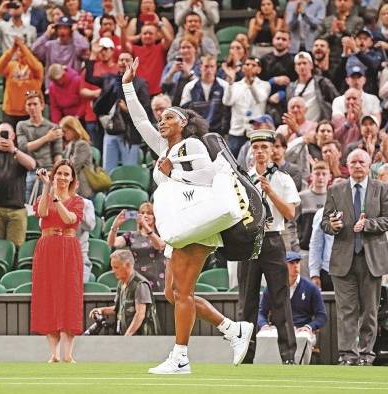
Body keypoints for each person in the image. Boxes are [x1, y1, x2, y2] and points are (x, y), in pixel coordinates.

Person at [122, 58, 253, 374]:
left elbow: (209, 177)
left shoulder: (191, 143)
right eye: (162, 117)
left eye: (169, 117)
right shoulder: (165, 150)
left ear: (184, 123)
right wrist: (128, 84)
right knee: (172, 292)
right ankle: (231, 329)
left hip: (197, 225)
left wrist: (176, 173)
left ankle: (180, 356)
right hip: (181, 225)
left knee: (181, 292)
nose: (162, 121)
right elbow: (140, 122)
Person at [238, 128, 301, 365]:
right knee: (247, 301)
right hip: (249, 241)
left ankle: (288, 356)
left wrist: (270, 192)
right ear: (251, 151)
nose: (260, 152)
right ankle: (245, 355)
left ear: (273, 150)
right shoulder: (243, 179)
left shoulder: (283, 179)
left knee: (280, 298)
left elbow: (290, 213)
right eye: (256, 148)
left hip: (274, 240)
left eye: (265, 147)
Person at [321, 148, 388, 365]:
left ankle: (366, 355)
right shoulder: (336, 189)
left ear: (369, 166)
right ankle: (347, 355)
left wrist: (368, 224)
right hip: (343, 259)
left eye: (361, 162)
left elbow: (387, 219)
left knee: (369, 311)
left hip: (372, 259)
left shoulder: (381, 189)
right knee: (346, 311)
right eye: (353, 162)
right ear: (347, 167)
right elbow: (324, 223)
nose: (357, 166)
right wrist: (332, 225)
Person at [31, 160, 84, 363]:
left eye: (66, 174)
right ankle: (53, 353)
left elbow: (70, 219)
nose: (62, 177)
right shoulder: (44, 195)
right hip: (47, 248)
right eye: (59, 174)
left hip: (68, 248)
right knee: (48, 295)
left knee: (69, 295)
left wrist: (56, 199)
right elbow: (42, 213)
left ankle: (68, 353)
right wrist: (46, 188)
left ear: (72, 179)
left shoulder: (78, 200)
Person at [257, 251, 327, 364]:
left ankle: (299, 370)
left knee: (304, 338)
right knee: (263, 336)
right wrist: (264, 325)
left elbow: (322, 316)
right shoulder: (272, 287)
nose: (295, 266)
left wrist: (309, 327)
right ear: (283, 265)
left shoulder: (310, 288)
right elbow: (261, 312)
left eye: (297, 262)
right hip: (277, 329)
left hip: (301, 329)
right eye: (291, 263)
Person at [89, 249, 160, 335]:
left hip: (142, 338)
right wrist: (101, 310)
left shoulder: (140, 284)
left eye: (116, 267)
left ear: (128, 265)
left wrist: (127, 336)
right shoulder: (121, 283)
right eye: (112, 267)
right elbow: (118, 309)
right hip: (127, 336)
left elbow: (140, 314)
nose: (113, 271)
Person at [107, 203, 166, 291]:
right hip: (138, 280)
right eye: (142, 213)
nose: (145, 215)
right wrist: (115, 226)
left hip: (158, 280)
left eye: (149, 213)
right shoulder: (131, 235)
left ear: (155, 217)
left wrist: (145, 226)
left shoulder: (162, 234)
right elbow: (112, 242)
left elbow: (159, 246)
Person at [16, 91, 63, 201]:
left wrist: (56, 173)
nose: (32, 107)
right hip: (28, 172)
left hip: (48, 171)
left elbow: (58, 154)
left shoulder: (53, 127)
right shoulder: (22, 125)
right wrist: (46, 138)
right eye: (29, 104)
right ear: (26, 107)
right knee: (29, 209)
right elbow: (24, 148)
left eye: (35, 104)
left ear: (42, 105)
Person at [222, 56, 270, 157]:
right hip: (236, 132)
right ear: (243, 68)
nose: (250, 67)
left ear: (259, 69)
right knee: (231, 164)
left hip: (255, 132)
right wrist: (230, 82)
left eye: (253, 65)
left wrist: (251, 82)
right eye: (247, 64)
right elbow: (227, 102)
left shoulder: (265, 85)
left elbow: (259, 98)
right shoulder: (235, 85)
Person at [0, 37, 44, 129]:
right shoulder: (11, 66)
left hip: (29, 112)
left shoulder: (36, 68)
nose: (20, 52)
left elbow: (36, 67)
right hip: (9, 112)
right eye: (19, 50)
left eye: (23, 50)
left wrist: (23, 47)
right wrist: (12, 49)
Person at [32, 16, 89, 89]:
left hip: (72, 88)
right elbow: (34, 49)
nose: (62, 31)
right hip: (52, 88)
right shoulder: (50, 45)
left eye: (65, 28)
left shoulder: (76, 46)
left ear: (70, 30)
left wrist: (75, 32)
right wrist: (47, 34)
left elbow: (85, 47)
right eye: (60, 28)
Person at [180, 54, 229, 135]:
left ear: (216, 67)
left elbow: (227, 111)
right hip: (196, 132)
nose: (209, 70)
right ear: (200, 67)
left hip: (218, 131)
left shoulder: (224, 85)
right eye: (206, 66)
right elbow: (184, 110)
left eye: (212, 66)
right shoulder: (190, 86)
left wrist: (224, 129)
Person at [286, 51, 338, 123]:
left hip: (317, 126)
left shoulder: (322, 82)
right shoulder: (291, 87)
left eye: (304, 63)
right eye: (299, 64)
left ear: (311, 65)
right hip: (298, 126)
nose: (302, 66)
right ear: (295, 68)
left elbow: (336, 99)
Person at [296, 161, 331, 252]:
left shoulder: (334, 198)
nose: (321, 177)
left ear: (329, 176)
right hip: (305, 248)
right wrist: (295, 244)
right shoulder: (301, 197)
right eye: (317, 174)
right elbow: (292, 223)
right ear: (311, 176)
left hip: (327, 250)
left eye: (324, 174)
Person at [61, 116, 94, 199]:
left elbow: (74, 166)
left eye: (65, 131)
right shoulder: (70, 145)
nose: (63, 134)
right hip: (73, 189)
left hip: (82, 190)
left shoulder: (82, 145)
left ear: (73, 129)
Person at [309, 207, 335, 291]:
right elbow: (316, 244)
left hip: (357, 271)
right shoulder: (322, 213)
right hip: (328, 271)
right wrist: (314, 274)